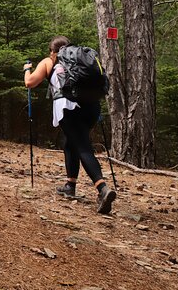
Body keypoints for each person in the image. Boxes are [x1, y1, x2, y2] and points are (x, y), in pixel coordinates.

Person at [23, 35, 116, 214]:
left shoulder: (50, 61)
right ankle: (70, 185)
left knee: (82, 147)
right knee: (70, 143)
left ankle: (103, 189)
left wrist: (27, 69)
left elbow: (30, 82)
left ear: (52, 51)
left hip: (68, 107)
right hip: (92, 107)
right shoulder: (82, 58)